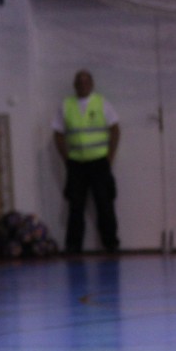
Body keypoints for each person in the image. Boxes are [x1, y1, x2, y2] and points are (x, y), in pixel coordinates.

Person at [52, 69, 120, 255]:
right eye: (79, 82)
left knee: (105, 204)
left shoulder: (102, 103)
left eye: (86, 81)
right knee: (75, 206)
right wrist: (66, 159)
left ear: (92, 84)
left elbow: (115, 129)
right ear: (74, 85)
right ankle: (73, 246)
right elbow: (58, 134)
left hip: (99, 163)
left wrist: (110, 156)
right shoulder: (66, 105)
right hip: (76, 165)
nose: (83, 85)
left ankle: (111, 244)